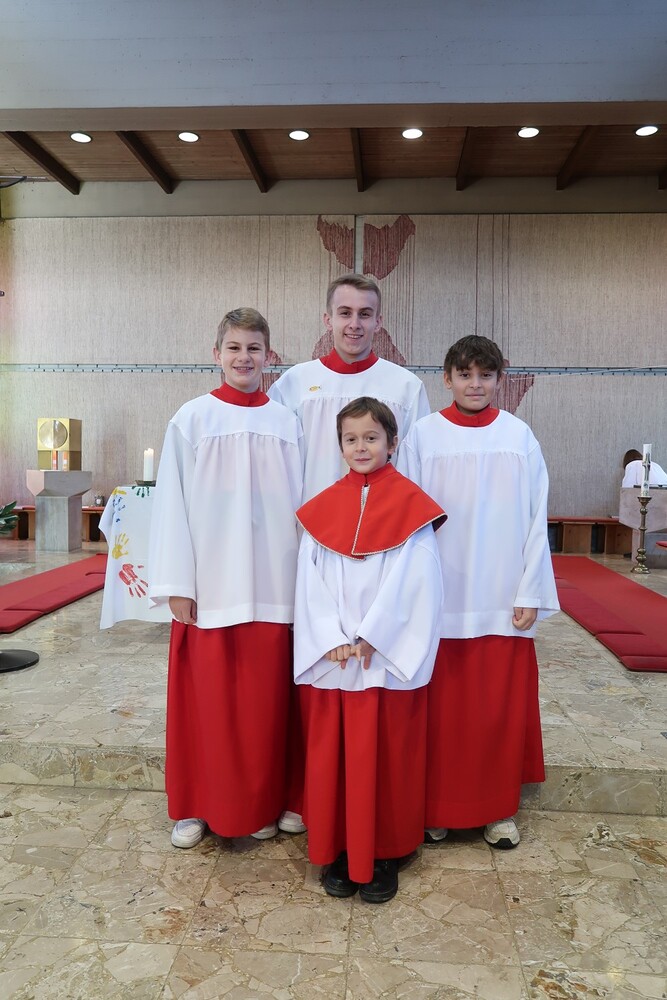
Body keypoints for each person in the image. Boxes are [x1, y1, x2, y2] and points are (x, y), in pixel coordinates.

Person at [148, 308, 304, 849]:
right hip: (211, 585)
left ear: (269, 356)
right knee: (206, 707)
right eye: (234, 347)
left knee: (265, 709)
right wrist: (178, 583)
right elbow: (172, 503)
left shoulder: (287, 423)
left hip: (273, 585)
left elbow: (303, 504)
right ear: (216, 354)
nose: (244, 357)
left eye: (254, 348)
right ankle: (195, 805)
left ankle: (260, 804)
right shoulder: (192, 419)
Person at [398, 335, 559, 851]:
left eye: (485, 375)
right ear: (446, 379)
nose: (475, 384)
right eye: (465, 375)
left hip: (500, 595)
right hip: (442, 595)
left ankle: (497, 811)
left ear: (499, 380)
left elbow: (536, 517)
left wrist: (530, 589)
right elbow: (407, 519)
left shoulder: (518, 436)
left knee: (496, 711)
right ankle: (438, 809)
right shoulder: (423, 436)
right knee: (443, 713)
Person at [293, 397, 445, 903]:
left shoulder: (412, 507)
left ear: (392, 443)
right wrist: (330, 636)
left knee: (387, 755)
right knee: (334, 755)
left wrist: (375, 635)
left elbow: (418, 581)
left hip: (383, 659)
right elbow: (308, 580)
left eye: (372, 437)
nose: (361, 447)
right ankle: (339, 847)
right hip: (337, 659)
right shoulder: (322, 508)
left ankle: (384, 851)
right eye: (351, 439)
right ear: (339, 446)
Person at [268, 273, 430, 502]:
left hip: (384, 516)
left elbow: (415, 469)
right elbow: (276, 467)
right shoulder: (294, 383)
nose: (354, 324)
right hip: (313, 516)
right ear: (328, 319)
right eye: (345, 313)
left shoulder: (406, 387)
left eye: (365, 314)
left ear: (378, 322)